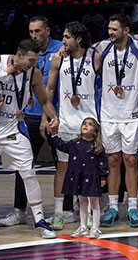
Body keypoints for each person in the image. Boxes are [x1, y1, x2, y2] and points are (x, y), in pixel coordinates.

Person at [0, 38, 61, 242]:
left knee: (29, 174)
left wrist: (54, 118)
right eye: (30, 61)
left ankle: (39, 220)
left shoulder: (33, 73)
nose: (33, 65)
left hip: (14, 129)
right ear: (18, 56)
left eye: (35, 61)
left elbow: (44, 100)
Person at [0, 16, 65, 228]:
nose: (34, 35)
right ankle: (19, 211)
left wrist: (49, 117)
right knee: (23, 165)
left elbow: (50, 91)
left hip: (55, 114)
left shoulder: (61, 49)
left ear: (48, 30)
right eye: (31, 31)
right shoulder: (26, 53)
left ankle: (65, 211)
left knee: (63, 164)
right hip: (29, 116)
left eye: (38, 31)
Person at [44, 22, 100, 230]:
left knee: (90, 169)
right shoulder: (58, 58)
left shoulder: (95, 57)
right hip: (66, 122)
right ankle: (59, 213)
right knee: (62, 167)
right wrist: (46, 117)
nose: (63, 40)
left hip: (89, 122)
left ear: (78, 39)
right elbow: (49, 90)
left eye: (67, 37)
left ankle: (91, 213)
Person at [96, 14, 138, 228]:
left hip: (131, 113)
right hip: (109, 114)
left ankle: (133, 207)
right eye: (109, 28)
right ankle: (113, 207)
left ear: (126, 30)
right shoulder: (101, 48)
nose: (110, 32)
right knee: (112, 161)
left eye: (114, 29)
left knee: (130, 161)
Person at [51, 117, 109, 239]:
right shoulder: (74, 144)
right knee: (82, 202)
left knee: (94, 202)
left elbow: (103, 163)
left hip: (91, 177)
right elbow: (61, 146)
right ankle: (83, 227)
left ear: (95, 131)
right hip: (78, 177)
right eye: (84, 124)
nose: (86, 126)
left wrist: (103, 176)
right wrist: (54, 134)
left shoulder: (97, 147)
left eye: (90, 124)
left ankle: (95, 227)